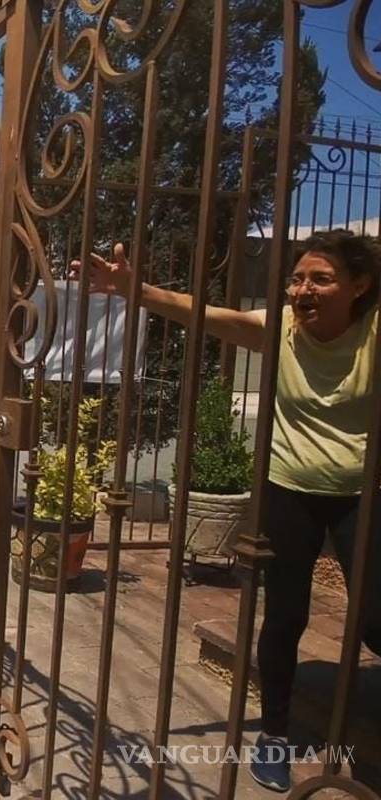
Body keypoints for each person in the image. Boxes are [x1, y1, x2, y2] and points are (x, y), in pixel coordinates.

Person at [79, 230, 380, 793]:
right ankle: (275, 735)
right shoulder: (281, 329)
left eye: (320, 279)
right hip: (288, 489)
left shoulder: (374, 333)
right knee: (286, 613)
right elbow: (202, 312)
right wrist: (132, 289)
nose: (302, 290)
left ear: (359, 286)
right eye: (296, 278)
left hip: (361, 493)